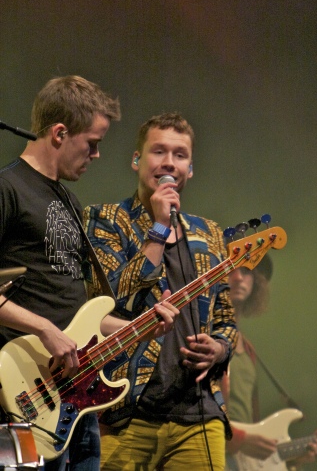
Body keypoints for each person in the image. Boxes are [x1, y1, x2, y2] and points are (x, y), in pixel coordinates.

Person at [0, 77, 177, 470]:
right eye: (92, 143)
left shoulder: (68, 199)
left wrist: (146, 326)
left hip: (75, 401)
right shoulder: (7, 188)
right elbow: (51, 324)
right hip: (24, 395)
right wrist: (44, 329)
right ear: (60, 133)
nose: (96, 155)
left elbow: (82, 313)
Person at [83, 112, 238, 470]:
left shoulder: (209, 233)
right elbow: (111, 302)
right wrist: (158, 229)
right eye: (159, 152)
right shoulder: (106, 220)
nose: (169, 162)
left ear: (191, 168)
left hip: (198, 415)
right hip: (124, 410)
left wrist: (218, 348)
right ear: (137, 159)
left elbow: (226, 319)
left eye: (180, 155)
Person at [224, 255, 317, 470]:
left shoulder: (248, 348)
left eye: (247, 271)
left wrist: (292, 458)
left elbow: (247, 425)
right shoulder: (200, 336)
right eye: (230, 269)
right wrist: (238, 440)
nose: (239, 278)